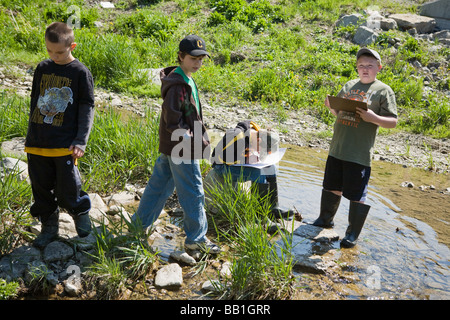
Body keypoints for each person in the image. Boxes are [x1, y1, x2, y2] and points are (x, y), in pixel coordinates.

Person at [131, 35, 220, 254]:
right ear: (180, 56)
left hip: (171, 147)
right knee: (194, 192)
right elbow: (173, 121)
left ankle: (137, 228)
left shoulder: (185, 79)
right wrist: (192, 139)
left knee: (159, 187)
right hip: (182, 149)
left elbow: (190, 114)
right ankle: (196, 239)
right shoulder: (177, 85)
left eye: (201, 59)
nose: (198, 63)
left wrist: (202, 138)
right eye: (193, 59)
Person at [312, 48, 397, 248]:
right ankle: (325, 219)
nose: (365, 69)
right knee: (332, 185)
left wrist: (373, 118)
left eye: (369, 65)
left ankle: (351, 234)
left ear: (379, 67)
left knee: (357, 194)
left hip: (359, 153)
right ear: (357, 68)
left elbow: (392, 122)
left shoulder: (383, 90)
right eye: (361, 66)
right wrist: (331, 106)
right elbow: (339, 113)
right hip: (337, 148)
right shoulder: (350, 85)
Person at [25, 22, 95, 249]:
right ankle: (49, 226)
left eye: (60, 52)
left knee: (68, 186)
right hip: (37, 142)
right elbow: (36, 102)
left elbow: (87, 107)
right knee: (40, 186)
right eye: (49, 51)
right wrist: (32, 135)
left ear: (72, 45)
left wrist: (80, 140)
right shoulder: (42, 68)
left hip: (65, 143)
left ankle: (80, 212)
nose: (54, 56)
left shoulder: (80, 72)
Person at [207, 120, 294, 219]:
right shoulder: (237, 136)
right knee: (258, 172)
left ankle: (273, 208)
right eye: (262, 150)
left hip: (238, 163)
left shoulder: (257, 132)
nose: (260, 152)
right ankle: (260, 217)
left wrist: (252, 156)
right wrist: (245, 158)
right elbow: (219, 158)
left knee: (271, 168)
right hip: (221, 166)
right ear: (259, 141)